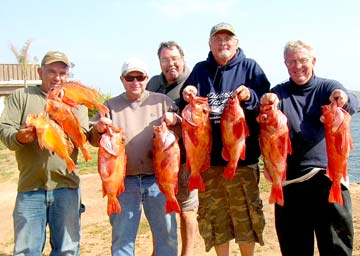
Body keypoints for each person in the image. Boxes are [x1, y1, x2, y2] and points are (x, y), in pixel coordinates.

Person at [260, 40, 358, 256]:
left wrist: (342, 97)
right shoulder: (280, 93)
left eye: (303, 60)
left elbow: (351, 100)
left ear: (313, 61)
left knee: (337, 249)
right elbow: (265, 128)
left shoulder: (327, 87)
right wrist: (265, 102)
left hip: (327, 179)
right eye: (291, 62)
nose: (297, 66)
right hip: (290, 184)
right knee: (294, 249)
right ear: (285, 65)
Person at [179, 22, 270, 256]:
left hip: (243, 160)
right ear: (210, 44)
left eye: (227, 38)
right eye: (217, 39)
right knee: (214, 217)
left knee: (246, 216)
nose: (223, 43)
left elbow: (266, 101)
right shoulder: (200, 70)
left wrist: (250, 95)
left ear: (236, 42)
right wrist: (186, 92)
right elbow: (186, 102)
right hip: (209, 163)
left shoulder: (250, 68)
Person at [0, 51, 89, 255]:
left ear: (67, 76)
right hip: (30, 187)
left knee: (67, 249)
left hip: (67, 186)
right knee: (26, 250)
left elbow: (82, 136)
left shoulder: (75, 102)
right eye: (51, 71)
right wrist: (19, 137)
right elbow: (4, 130)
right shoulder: (21, 97)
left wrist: (66, 125)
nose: (57, 77)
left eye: (62, 73)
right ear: (40, 72)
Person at [89, 57, 179, 256]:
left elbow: (185, 130)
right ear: (122, 79)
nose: (136, 82)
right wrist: (98, 127)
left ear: (147, 78)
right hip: (123, 182)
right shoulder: (109, 106)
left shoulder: (163, 102)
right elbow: (93, 139)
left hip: (158, 180)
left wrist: (176, 119)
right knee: (123, 237)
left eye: (141, 77)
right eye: (130, 77)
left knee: (167, 236)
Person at [146, 41, 198, 256]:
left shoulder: (193, 82)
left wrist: (178, 118)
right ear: (159, 63)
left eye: (174, 59)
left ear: (183, 59)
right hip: (160, 158)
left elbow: (199, 117)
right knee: (162, 211)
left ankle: (187, 253)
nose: (171, 64)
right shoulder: (153, 83)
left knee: (187, 211)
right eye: (165, 60)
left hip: (185, 159)